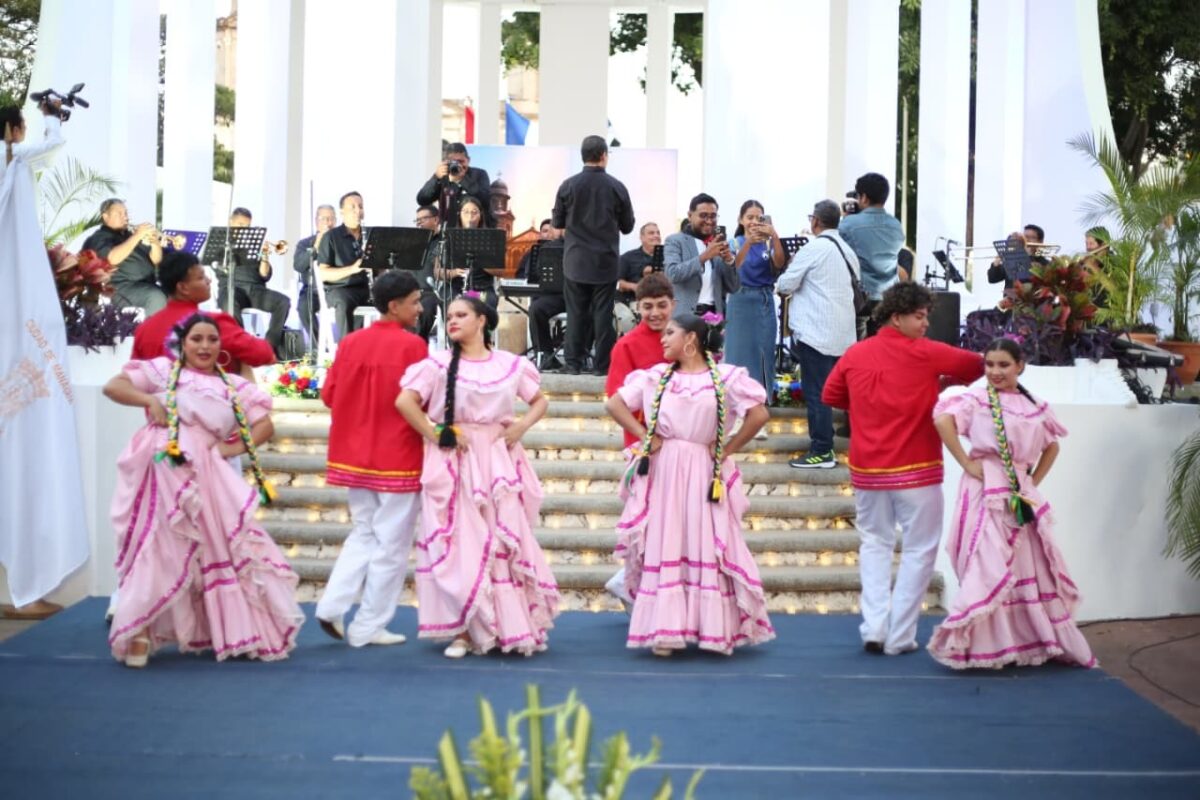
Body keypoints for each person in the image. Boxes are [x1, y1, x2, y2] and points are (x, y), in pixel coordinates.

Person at [101, 314, 304, 668]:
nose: (205, 346)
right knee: (159, 544)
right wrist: (149, 402)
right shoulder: (162, 370)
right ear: (182, 342)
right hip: (162, 469)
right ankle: (140, 633)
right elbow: (114, 386)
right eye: (197, 339)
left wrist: (225, 451)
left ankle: (233, 630)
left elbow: (264, 425)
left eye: (212, 339)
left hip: (208, 475)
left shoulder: (234, 387)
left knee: (220, 544)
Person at [822, 283, 984, 656]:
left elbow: (831, 395)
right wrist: (943, 382)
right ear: (897, 317)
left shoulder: (855, 353)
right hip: (918, 468)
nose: (926, 322)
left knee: (874, 545)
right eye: (920, 315)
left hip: (866, 467)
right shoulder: (927, 353)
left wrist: (865, 407)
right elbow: (979, 365)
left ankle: (874, 628)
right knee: (919, 550)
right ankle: (900, 636)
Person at [395, 295, 559, 657]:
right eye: (449, 316)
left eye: (460, 315)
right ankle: (464, 630)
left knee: (502, 540)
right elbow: (405, 401)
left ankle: (506, 625)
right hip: (457, 459)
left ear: (481, 320)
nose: (452, 321)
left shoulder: (510, 364)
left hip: (498, 460)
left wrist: (520, 427)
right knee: (461, 542)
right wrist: (436, 432)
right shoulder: (437, 364)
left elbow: (540, 400)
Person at [606, 312, 775, 656]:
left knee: (706, 539)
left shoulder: (725, 377)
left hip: (704, 467)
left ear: (691, 340)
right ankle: (666, 630)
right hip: (665, 468)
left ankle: (709, 627)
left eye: (670, 333)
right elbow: (615, 403)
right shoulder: (656, 377)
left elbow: (759, 413)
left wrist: (728, 448)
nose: (663, 338)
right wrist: (644, 435)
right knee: (667, 539)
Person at [928, 338, 1095, 669]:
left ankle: (1019, 641)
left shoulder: (1034, 405)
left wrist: (1031, 484)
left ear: (1020, 366)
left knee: (1022, 564)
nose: (994, 372)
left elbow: (1052, 447)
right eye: (989, 365)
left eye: (1003, 365)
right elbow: (941, 420)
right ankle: (980, 645)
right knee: (985, 560)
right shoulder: (976, 399)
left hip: (1017, 493)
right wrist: (966, 462)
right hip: (983, 489)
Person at [1, 97, 90, 621]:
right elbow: (50, 146)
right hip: (17, 314)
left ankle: (24, 584)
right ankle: (24, 586)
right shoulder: (9, 157)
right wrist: (56, 114)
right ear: (12, 128)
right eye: (22, 126)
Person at [315, 272, 429, 647]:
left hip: (353, 453)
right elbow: (422, 402)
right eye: (414, 301)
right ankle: (368, 625)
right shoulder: (412, 347)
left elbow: (329, 395)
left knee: (364, 532)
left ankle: (331, 605)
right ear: (394, 306)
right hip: (398, 454)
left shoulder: (350, 342)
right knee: (392, 546)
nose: (419, 307)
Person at [601, 273, 675, 608]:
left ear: (673, 304)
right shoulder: (626, 345)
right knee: (646, 522)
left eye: (662, 305)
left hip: (678, 444)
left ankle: (640, 588)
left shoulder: (684, 339)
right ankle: (629, 584)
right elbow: (615, 400)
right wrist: (645, 437)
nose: (655, 313)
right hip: (642, 445)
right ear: (637, 307)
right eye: (647, 307)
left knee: (670, 521)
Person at [777, 200, 860, 469]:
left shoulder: (814, 248)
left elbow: (785, 284)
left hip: (816, 334)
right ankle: (853, 442)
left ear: (815, 221)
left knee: (817, 393)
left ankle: (822, 449)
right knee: (841, 393)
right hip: (844, 335)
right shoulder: (848, 250)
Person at [552, 134, 635, 376]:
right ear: (603, 156)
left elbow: (557, 223)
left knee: (575, 313)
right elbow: (628, 226)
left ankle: (573, 364)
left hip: (576, 261)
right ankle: (602, 367)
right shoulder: (617, 187)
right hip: (605, 262)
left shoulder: (567, 186)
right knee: (602, 314)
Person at [133, 251, 275, 377]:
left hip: (163, 405)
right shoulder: (213, 323)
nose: (209, 280)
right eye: (201, 277)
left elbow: (135, 376)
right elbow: (265, 355)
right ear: (182, 287)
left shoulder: (144, 329)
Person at [724, 200, 786, 393]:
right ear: (741, 220)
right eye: (749, 217)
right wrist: (749, 242)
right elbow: (735, 266)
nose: (753, 222)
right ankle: (735, 396)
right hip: (740, 300)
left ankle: (761, 397)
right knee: (739, 350)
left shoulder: (768, 243)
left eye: (758, 218)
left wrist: (774, 235)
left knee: (764, 350)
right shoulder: (733, 243)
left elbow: (779, 263)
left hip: (764, 300)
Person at [838, 172, 905, 337]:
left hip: (860, 297)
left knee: (859, 351)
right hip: (887, 296)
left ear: (864, 197)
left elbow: (839, 251)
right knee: (882, 348)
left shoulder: (849, 225)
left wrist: (846, 218)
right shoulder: (896, 225)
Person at [219, 207, 292, 357]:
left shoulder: (254, 244)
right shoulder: (221, 243)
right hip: (232, 288)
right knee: (230, 303)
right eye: (239, 225)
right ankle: (239, 348)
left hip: (255, 290)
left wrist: (265, 256)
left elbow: (264, 274)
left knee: (283, 302)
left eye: (247, 227)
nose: (243, 230)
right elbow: (218, 268)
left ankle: (269, 348)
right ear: (230, 223)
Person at [82, 198, 166, 315]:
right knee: (156, 297)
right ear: (106, 217)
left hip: (146, 284)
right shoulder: (100, 237)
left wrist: (155, 242)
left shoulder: (130, 235)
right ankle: (150, 332)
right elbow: (112, 258)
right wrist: (137, 235)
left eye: (126, 213)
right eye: (119, 214)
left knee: (175, 294)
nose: (125, 217)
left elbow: (156, 260)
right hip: (119, 288)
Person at [664, 193, 739, 319]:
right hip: (685, 316)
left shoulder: (719, 243)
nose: (709, 221)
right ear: (690, 215)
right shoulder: (675, 240)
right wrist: (704, 256)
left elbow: (733, 287)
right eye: (703, 215)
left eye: (713, 216)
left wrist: (729, 261)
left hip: (715, 317)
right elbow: (672, 274)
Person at [316, 191, 372, 342]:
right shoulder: (331, 237)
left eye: (360, 206)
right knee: (344, 301)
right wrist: (353, 269)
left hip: (366, 288)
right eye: (352, 207)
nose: (358, 211)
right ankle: (346, 353)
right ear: (342, 212)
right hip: (339, 289)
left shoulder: (372, 234)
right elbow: (323, 274)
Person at [433, 195, 500, 308]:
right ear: (459, 215)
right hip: (454, 287)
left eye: (474, 212)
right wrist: (452, 273)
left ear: (480, 216)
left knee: (484, 305)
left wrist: (480, 260)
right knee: (455, 306)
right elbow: (436, 271)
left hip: (482, 288)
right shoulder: (447, 238)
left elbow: (500, 272)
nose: (470, 217)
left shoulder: (490, 239)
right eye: (466, 212)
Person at [525, 219, 572, 370]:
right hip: (555, 296)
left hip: (578, 295)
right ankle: (545, 354)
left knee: (593, 308)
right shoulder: (546, 249)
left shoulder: (581, 247)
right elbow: (534, 275)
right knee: (537, 308)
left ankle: (580, 354)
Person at [415, 142, 494, 229]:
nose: (458, 165)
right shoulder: (442, 176)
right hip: (449, 231)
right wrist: (436, 178)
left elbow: (486, 200)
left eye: (461, 161)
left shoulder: (479, 174)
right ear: (445, 162)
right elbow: (422, 200)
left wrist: (462, 180)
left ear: (468, 160)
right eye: (453, 162)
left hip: (476, 231)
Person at [294, 204, 337, 349]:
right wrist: (316, 247)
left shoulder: (342, 241)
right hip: (313, 290)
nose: (328, 222)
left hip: (335, 289)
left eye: (331, 219)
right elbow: (299, 266)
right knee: (304, 307)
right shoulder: (305, 243)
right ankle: (317, 349)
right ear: (316, 221)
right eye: (324, 218)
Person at [615, 222, 662, 333]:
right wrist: (637, 287)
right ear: (641, 237)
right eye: (651, 233)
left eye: (658, 233)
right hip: (633, 303)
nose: (656, 235)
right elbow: (618, 283)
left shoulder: (668, 258)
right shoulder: (627, 257)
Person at [414, 205, 443, 341]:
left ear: (436, 220)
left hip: (431, 292)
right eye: (417, 220)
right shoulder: (411, 242)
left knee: (425, 309)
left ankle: (418, 345)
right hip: (410, 291)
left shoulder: (443, 242)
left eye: (424, 218)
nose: (419, 222)